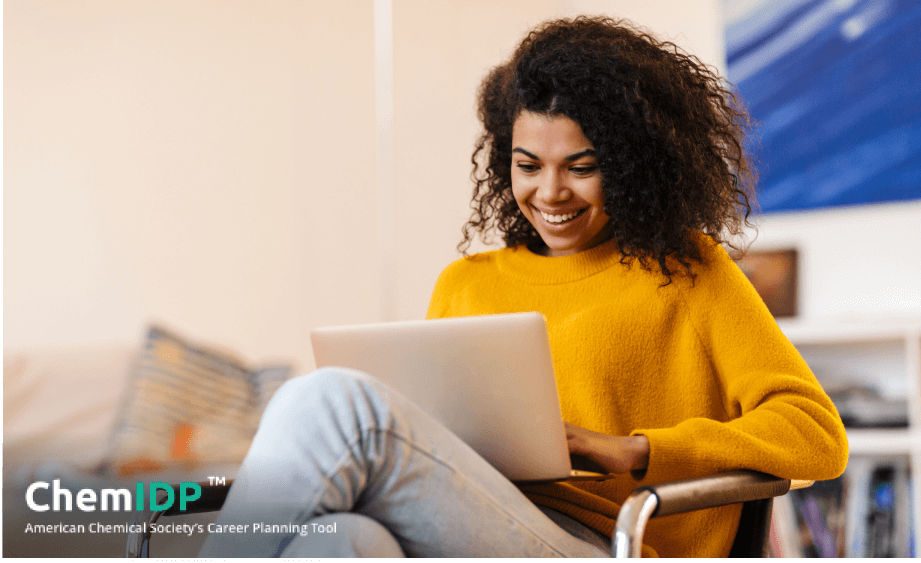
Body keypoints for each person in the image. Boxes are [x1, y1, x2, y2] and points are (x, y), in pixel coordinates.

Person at [199, 16, 848, 558]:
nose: (550, 193)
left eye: (581, 167)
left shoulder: (686, 269)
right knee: (339, 539)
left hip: (603, 540)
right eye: (527, 165)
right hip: (474, 515)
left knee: (331, 400)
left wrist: (637, 449)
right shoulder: (465, 283)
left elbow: (816, 434)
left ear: (629, 165)